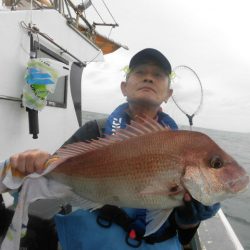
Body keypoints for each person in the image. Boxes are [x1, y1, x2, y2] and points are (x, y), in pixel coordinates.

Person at [6, 48, 220, 250]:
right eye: (139, 72)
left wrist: (189, 220)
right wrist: (36, 162)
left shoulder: (183, 149)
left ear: (168, 93)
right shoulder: (96, 130)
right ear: (124, 87)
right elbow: (54, 172)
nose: (148, 77)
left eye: (158, 75)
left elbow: (184, 235)